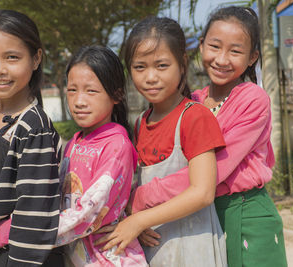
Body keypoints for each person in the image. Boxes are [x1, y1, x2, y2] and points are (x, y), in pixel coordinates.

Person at [128, 7, 288, 267]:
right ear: (201, 47)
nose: (222, 59)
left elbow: (215, 171)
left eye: (235, 51)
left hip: (245, 213)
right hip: (196, 214)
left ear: (252, 57)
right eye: (214, 46)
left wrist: (141, 200)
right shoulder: (192, 102)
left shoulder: (252, 99)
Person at [0, 45, 148, 266]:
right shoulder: (74, 141)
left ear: (117, 95)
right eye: (72, 90)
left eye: (91, 91)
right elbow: (55, 197)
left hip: (109, 258)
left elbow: (87, 215)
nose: (79, 101)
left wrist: (17, 231)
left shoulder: (116, 145)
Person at [96, 17, 227, 267]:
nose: (151, 77)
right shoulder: (140, 123)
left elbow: (203, 192)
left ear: (182, 65)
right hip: (156, 250)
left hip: (194, 249)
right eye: (140, 67)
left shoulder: (194, 116)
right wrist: (137, 217)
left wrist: (139, 220)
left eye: (162, 65)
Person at [0, 9, 63, 267]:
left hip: (19, 255)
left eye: (12, 57)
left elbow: (36, 209)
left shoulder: (34, 125)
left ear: (36, 58)